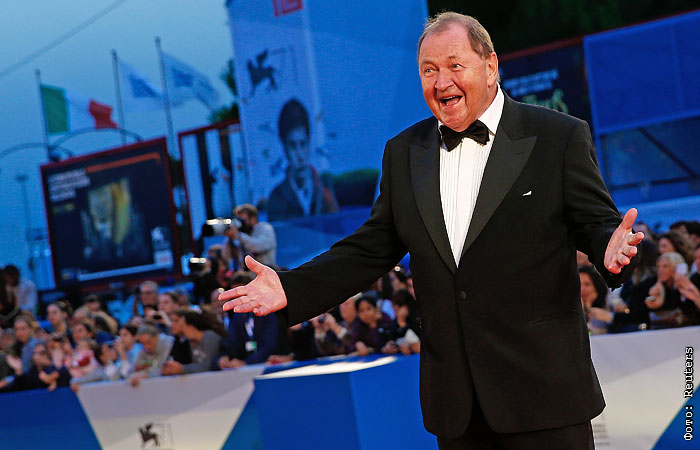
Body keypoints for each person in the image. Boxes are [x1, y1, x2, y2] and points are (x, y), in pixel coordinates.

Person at [219, 12, 643, 449]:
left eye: (455, 66)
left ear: (490, 66)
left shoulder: (558, 136)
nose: (442, 83)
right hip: (457, 406)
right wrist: (292, 287)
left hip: (544, 394)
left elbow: (598, 226)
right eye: (429, 70)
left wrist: (612, 250)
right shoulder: (404, 152)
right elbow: (369, 248)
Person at [266, 98, 339, 221]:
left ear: (309, 144)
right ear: (284, 148)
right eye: (293, 146)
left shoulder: (325, 189)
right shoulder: (277, 197)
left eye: (303, 144)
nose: (300, 155)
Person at [223, 204, 277, 268]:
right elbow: (226, 257)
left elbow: (260, 246)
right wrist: (229, 236)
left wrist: (237, 235)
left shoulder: (264, 228)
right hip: (247, 273)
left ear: (253, 219)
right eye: (238, 220)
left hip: (265, 271)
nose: (241, 224)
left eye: (243, 220)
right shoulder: (242, 234)